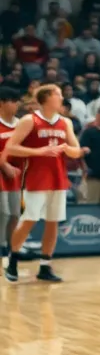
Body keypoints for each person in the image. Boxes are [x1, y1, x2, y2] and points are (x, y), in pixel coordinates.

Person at [4, 85, 82, 283]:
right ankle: (12, 260)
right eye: (58, 95)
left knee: (53, 222)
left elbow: (76, 151)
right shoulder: (29, 120)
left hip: (58, 178)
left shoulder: (65, 122)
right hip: (34, 179)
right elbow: (11, 147)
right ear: (47, 98)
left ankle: (45, 266)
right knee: (29, 220)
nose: (62, 98)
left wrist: (67, 148)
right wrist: (40, 152)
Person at [0, 87, 22, 261]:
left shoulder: (20, 124)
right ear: (2, 103)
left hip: (15, 174)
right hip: (1, 172)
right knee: (3, 212)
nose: (17, 104)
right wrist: (4, 164)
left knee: (15, 213)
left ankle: (11, 249)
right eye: (13, 101)